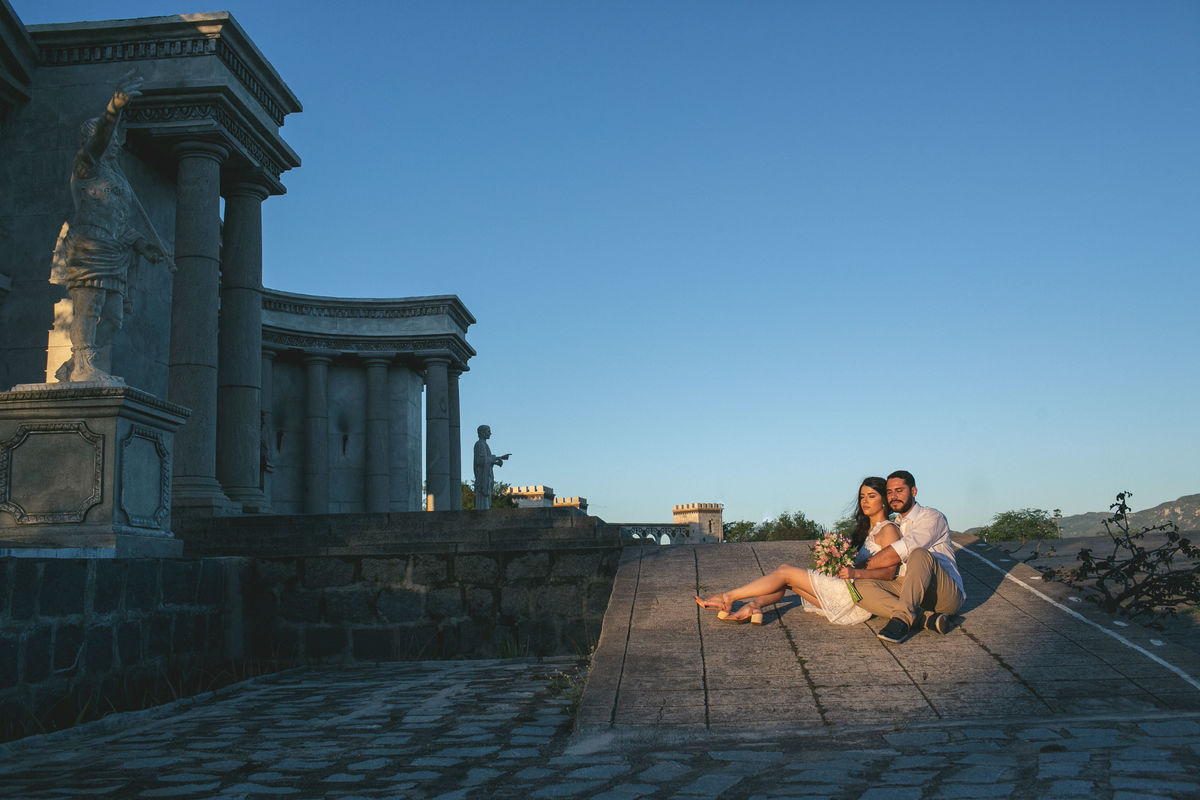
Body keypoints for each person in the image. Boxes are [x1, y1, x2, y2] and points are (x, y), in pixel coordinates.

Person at [50, 71, 168, 384]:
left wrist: (142, 244)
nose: (113, 144)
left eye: (116, 140)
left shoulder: (117, 178)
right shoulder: (85, 165)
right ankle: (84, 365)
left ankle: (73, 362)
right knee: (88, 308)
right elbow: (98, 142)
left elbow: (118, 219)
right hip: (90, 245)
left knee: (114, 318)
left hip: (115, 248)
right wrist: (113, 110)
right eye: (109, 138)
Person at [693, 477, 902, 625]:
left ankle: (728, 598)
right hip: (848, 594)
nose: (864, 501)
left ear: (884, 500)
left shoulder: (889, 529)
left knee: (785, 572)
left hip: (857, 598)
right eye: (862, 496)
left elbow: (890, 573)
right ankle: (753, 607)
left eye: (871, 496)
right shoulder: (868, 531)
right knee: (787, 583)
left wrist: (855, 572)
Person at [855, 470, 965, 643]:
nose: (894, 496)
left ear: (913, 492)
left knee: (918, 554)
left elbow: (903, 550)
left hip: (944, 594)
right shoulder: (895, 524)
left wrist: (856, 568)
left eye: (899, 491)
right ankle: (926, 619)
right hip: (911, 589)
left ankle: (902, 620)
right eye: (889, 492)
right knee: (858, 588)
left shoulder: (931, 517)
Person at [472, 425, 510, 510]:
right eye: (488, 431)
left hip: (486, 477)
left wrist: (499, 458)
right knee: (483, 504)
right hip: (482, 478)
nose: (490, 433)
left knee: (486, 503)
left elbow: (487, 459)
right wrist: (496, 459)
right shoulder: (480, 444)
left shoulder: (484, 444)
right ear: (482, 433)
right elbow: (480, 460)